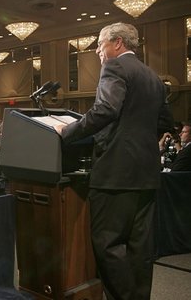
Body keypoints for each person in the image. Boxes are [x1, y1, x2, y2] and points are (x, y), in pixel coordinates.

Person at [54, 22, 173, 300]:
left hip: (115, 173)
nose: (97, 50)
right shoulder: (153, 77)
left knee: (107, 244)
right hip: (147, 173)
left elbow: (105, 109)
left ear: (117, 43)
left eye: (100, 43)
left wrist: (67, 131)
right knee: (140, 247)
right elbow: (166, 121)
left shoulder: (115, 67)